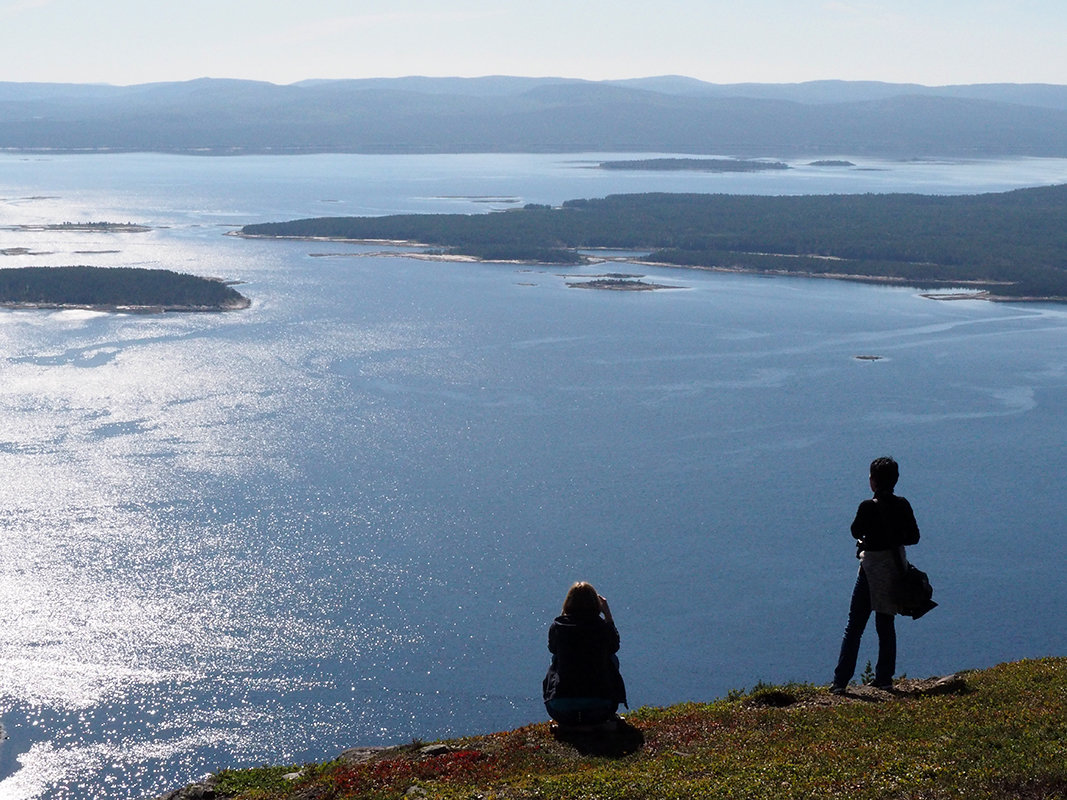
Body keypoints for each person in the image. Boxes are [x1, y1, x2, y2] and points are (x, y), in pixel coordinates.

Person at [831, 456, 921, 693]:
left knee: (855, 626)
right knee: (886, 623)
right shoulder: (903, 505)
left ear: (872, 481)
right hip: (894, 568)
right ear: (896, 480)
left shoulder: (868, 506)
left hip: (870, 571)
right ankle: (884, 678)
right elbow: (914, 537)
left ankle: (840, 682)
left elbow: (855, 531)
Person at [542, 581, 628, 728]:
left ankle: (568, 711)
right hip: (602, 710)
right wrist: (608, 616)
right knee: (611, 658)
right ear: (597, 605)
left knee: (556, 658)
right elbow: (614, 646)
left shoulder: (558, 627)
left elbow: (553, 648)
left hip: (560, 710)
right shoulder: (602, 628)